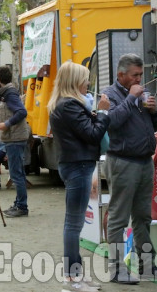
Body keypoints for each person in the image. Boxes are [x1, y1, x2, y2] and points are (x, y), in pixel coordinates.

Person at [103, 53, 157, 283]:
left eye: (141, 75)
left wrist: (154, 111)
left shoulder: (143, 93)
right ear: (121, 75)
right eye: (134, 75)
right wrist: (131, 99)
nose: (139, 80)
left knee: (143, 217)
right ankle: (117, 269)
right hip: (122, 162)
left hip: (144, 162)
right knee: (119, 218)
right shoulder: (109, 95)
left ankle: (147, 266)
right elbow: (110, 122)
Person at [48, 62, 110, 292]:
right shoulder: (69, 106)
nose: (88, 83)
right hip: (78, 165)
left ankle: (76, 275)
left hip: (75, 164)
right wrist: (102, 113)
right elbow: (92, 134)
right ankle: (72, 278)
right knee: (74, 224)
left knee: (73, 224)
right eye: (85, 79)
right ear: (75, 81)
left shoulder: (64, 105)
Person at [0, 66, 30, 218]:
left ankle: (22, 206)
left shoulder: (9, 93)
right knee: (17, 173)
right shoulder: (8, 92)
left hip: (15, 138)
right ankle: (18, 203)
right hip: (14, 137)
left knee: (16, 174)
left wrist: (6, 124)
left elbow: (22, 112)